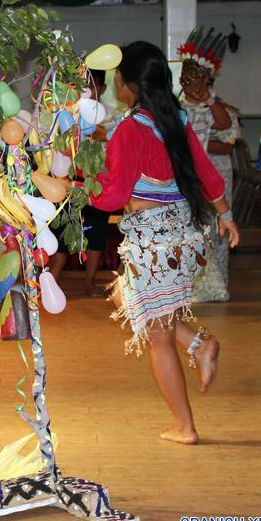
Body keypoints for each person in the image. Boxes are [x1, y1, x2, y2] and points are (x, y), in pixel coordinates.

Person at [89, 41, 240, 445]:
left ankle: (185, 427)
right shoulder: (177, 117)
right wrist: (225, 214)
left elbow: (112, 196)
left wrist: (75, 186)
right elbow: (206, 172)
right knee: (125, 295)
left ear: (126, 82)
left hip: (154, 240)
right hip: (186, 237)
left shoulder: (129, 129)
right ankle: (200, 344)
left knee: (157, 336)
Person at [178, 27, 233, 302]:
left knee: (218, 231)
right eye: (188, 79)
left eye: (199, 79)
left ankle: (218, 285)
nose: (193, 84)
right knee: (192, 230)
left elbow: (226, 130)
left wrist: (209, 100)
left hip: (215, 175)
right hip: (187, 177)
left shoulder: (214, 105)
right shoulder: (175, 107)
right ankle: (191, 286)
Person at [47, 69, 112, 297]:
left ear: (102, 88)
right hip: (68, 181)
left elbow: (111, 145)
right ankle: (50, 282)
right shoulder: (68, 111)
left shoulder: (109, 114)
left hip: (97, 182)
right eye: (81, 85)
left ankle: (89, 283)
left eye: (92, 85)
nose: (86, 90)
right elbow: (59, 146)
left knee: (96, 234)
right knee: (62, 234)